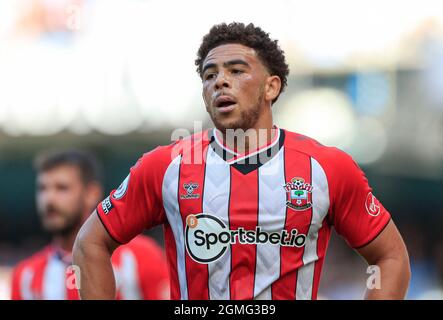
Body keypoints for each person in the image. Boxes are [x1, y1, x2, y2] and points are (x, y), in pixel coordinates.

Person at [73, 22, 410, 300]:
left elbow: (390, 257)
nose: (219, 81)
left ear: (271, 87)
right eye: (209, 75)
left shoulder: (326, 168)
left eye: (236, 70)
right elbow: (91, 243)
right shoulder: (166, 166)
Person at [11, 150, 169, 300]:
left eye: (61, 188)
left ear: (91, 194)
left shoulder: (140, 256)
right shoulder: (25, 276)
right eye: (42, 189)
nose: (49, 199)